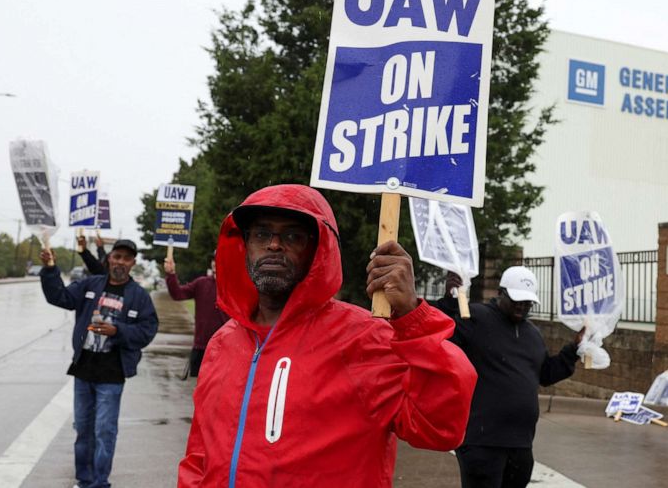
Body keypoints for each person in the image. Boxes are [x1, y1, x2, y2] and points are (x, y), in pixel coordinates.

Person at [177, 184, 477, 487]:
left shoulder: (363, 337)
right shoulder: (222, 343)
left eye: (293, 236)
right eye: (262, 234)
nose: (274, 245)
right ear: (245, 244)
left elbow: (440, 428)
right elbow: (199, 455)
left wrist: (413, 318)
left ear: (318, 250)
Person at [432, 267, 583, 488]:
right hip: (482, 442)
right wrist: (449, 300)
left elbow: (545, 374)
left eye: (527, 302)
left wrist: (574, 350)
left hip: (521, 445)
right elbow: (443, 336)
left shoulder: (533, 334)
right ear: (501, 293)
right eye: (516, 300)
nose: (522, 306)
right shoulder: (476, 318)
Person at [40, 239, 159, 488]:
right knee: (83, 430)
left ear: (132, 263)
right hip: (84, 370)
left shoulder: (139, 296)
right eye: (117, 257)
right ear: (109, 259)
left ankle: (100, 483)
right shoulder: (90, 285)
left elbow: (148, 330)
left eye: (126, 258)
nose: (120, 262)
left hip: (112, 375)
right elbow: (60, 297)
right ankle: (84, 481)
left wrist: (118, 331)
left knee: (104, 432)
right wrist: (50, 269)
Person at [163, 252, 228, 377]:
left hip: (225, 348)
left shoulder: (235, 286)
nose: (215, 262)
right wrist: (171, 274)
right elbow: (177, 294)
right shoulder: (201, 283)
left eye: (220, 259)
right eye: (213, 259)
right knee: (199, 390)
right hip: (201, 347)